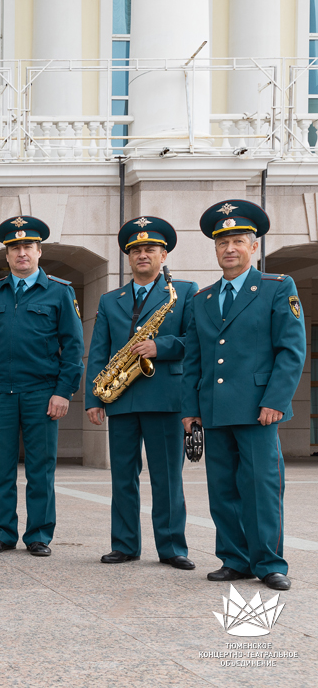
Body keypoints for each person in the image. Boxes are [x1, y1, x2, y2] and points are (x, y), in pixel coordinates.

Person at [182, 200, 304, 592]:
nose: (229, 248)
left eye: (238, 241)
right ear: (215, 249)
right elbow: (194, 359)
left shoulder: (276, 287)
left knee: (262, 487)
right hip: (214, 410)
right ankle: (234, 560)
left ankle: (269, 563)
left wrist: (276, 400)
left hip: (258, 410)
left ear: (254, 247)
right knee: (223, 489)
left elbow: (291, 349)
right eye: (222, 243)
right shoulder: (202, 299)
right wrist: (191, 409)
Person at [0, 216, 83, 557]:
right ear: (7, 256)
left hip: (43, 393)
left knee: (41, 469)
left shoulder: (59, 292)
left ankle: (38, 535)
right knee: (1, 468)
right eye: (14, 248)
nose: (21, 253)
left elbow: (73, 347)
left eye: (27, 247)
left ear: (39, 252)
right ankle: (2, 533)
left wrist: (63, 391)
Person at [84, 217, 197, 570]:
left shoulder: (185, 291)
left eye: (150, 249)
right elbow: (98, 350)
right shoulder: (109, 299)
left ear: (164, 255)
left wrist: (160, 346)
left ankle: (172, 548)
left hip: (165, 399)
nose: (142, 255)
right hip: (120, 400)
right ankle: (125, 545)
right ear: (128, 258)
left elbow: (195, 342)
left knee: (167, 479)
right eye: (136, 250)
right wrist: (93, 398)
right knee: (123, 478)